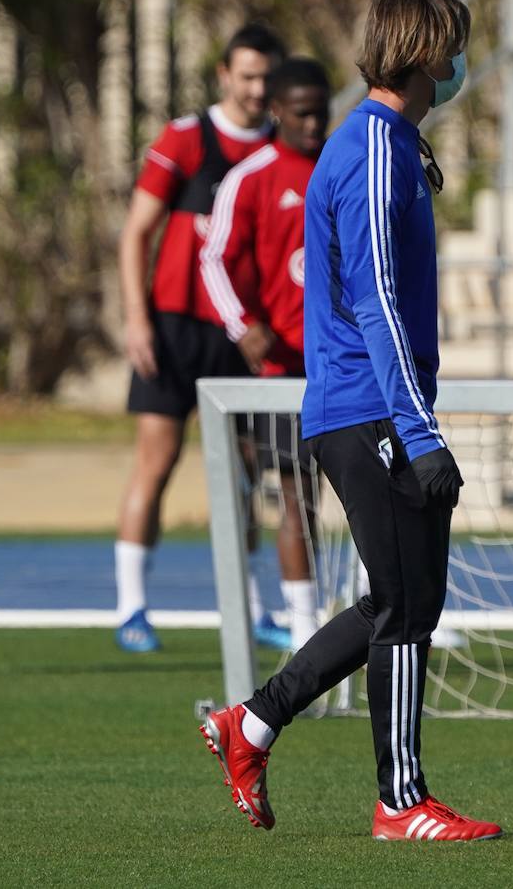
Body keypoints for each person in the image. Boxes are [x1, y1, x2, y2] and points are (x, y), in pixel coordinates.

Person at [200, 0, 502, 842]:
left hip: (370, 409)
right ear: (421, 52)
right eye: (451, 46)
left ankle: (250, 725)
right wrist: (418, 431)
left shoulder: (396, 143)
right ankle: (401, 801)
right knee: (407, 608)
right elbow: (375, 301)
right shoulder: (372, 147)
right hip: (367, 412)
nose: (457, 64)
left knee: (395, 599)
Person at [114, 23, 288, 653]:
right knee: (156, 463)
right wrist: (137, 318)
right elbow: (136, 232)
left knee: (246, 475)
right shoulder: (187, 140)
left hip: (240, 336)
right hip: (174, 327)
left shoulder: (279, 148)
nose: (256, 88)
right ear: (223, 75)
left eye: (266, 77)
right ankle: (131, 606)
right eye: (245, 76)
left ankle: (251, 606)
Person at [200, 57, 331, 651]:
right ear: (277, 111)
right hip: (283, 370)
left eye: (321, 112)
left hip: (343, 364)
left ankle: (383, 620)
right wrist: (242, 324)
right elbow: (214, 257)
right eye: (302, 114)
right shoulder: (251, 177)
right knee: (295, 496)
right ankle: (302, 627)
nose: (314, 124)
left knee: (352, 496)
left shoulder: (340, 165)